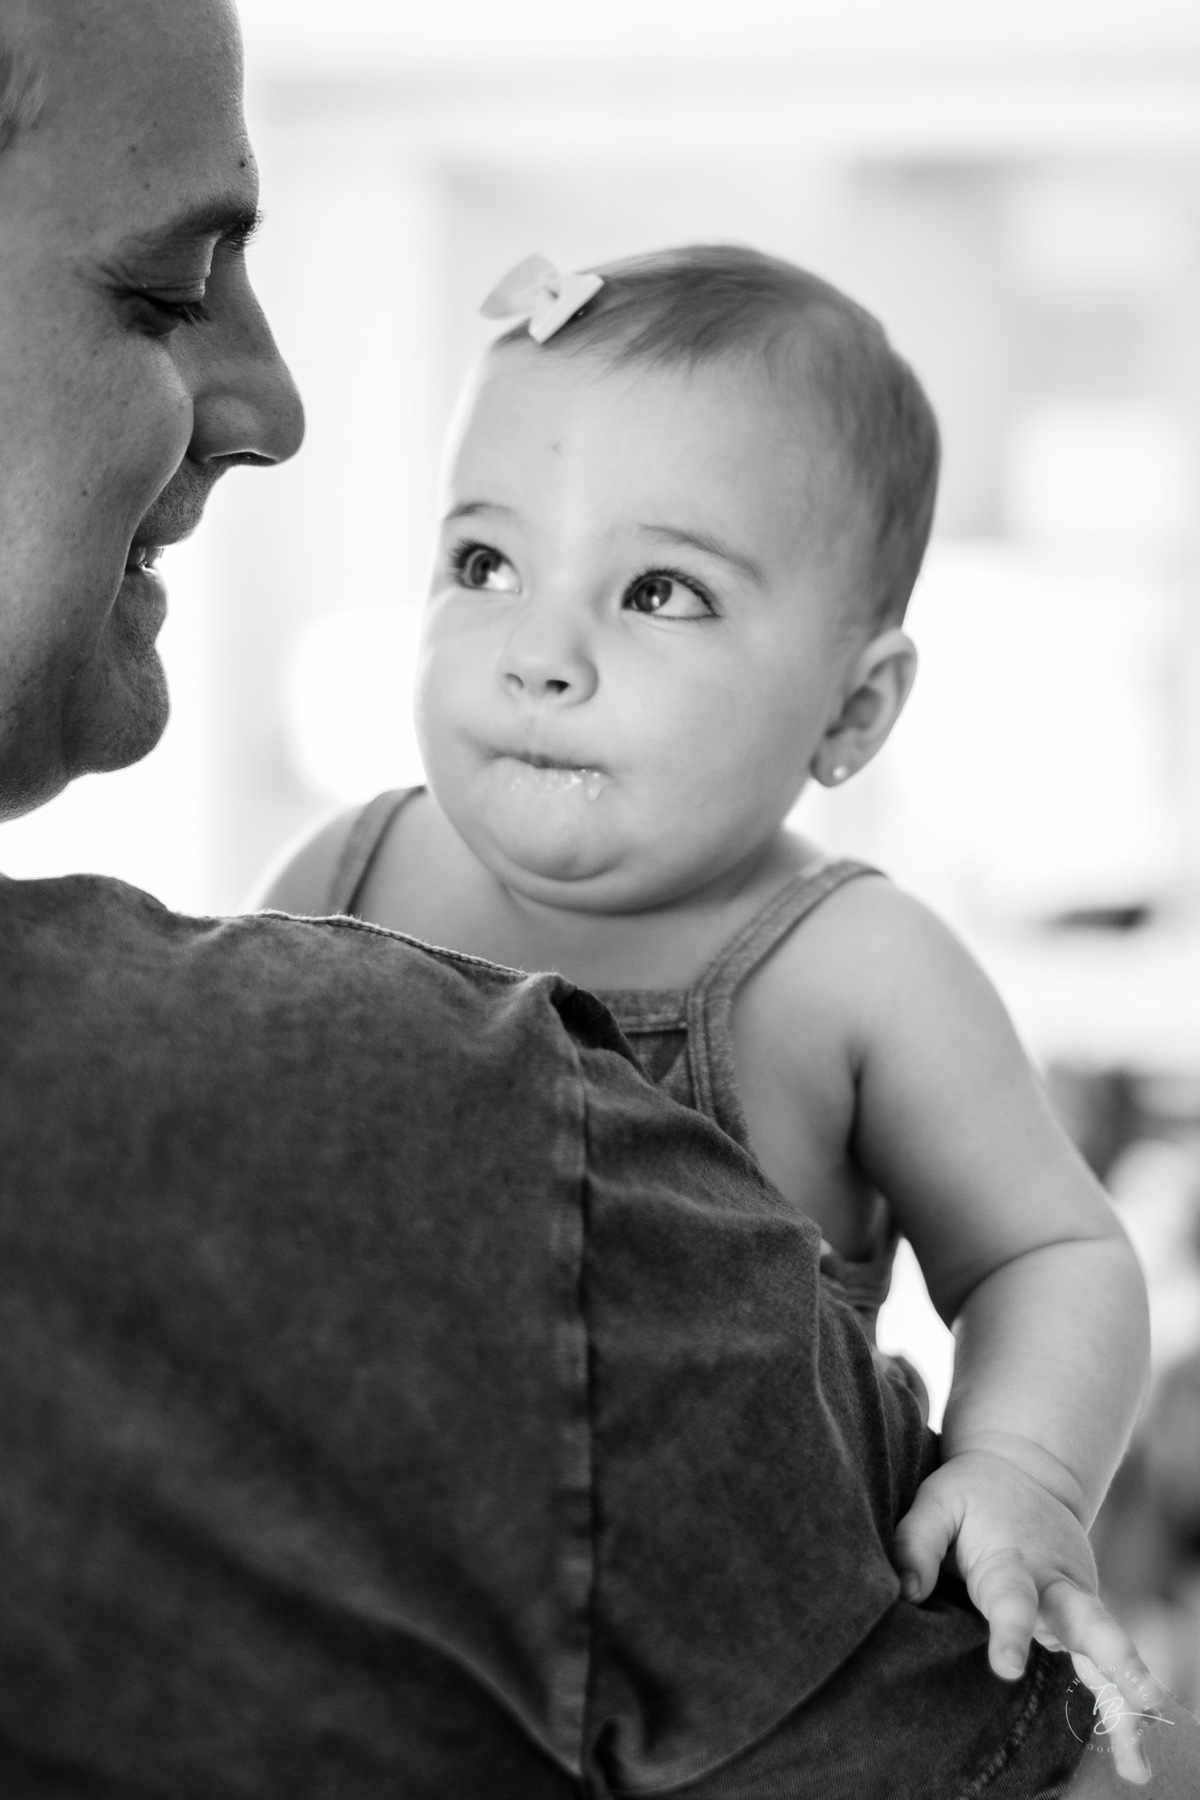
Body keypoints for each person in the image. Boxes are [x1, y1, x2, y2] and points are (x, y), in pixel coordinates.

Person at [1, 1, 1196, 1793]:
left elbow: (1050, 1250)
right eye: (483, 562)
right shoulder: (339, 876)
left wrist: (1021, 1474)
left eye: (661, 597)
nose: (538, 653)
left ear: (853, 709)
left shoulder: (852, 966)